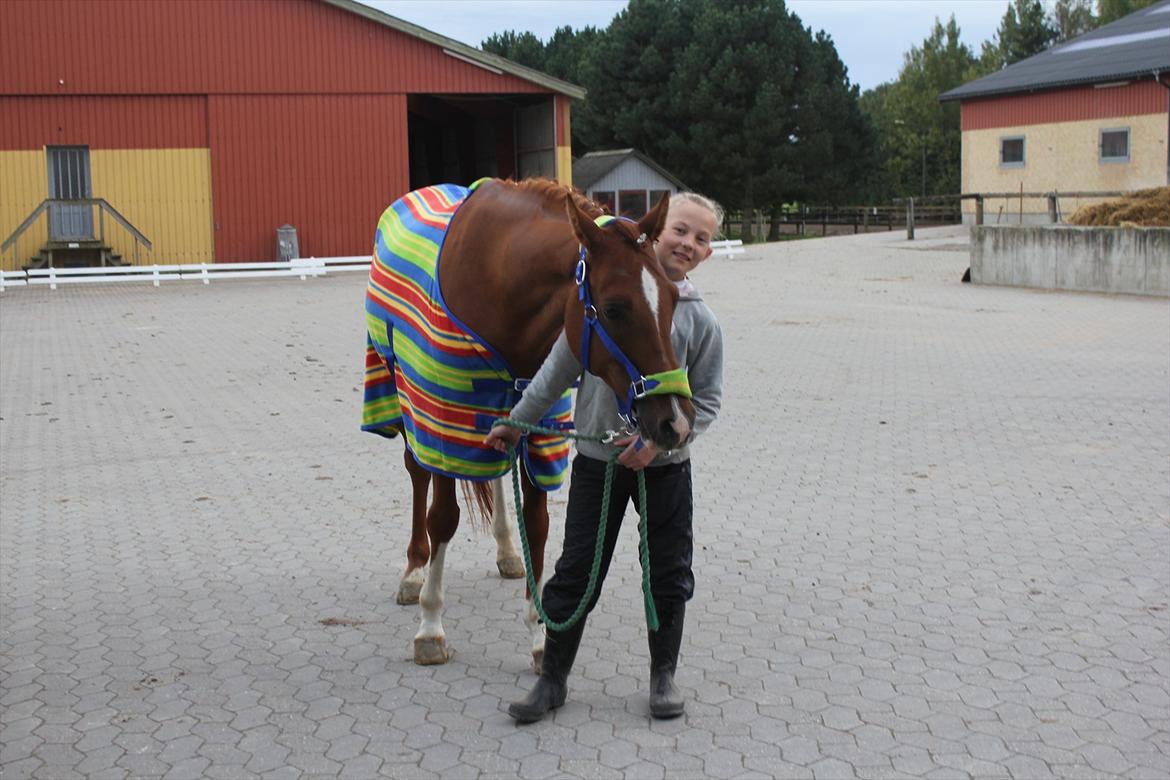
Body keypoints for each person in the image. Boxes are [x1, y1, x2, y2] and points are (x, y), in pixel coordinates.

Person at [484, 192, 725, 722]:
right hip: (598, 460)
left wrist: (659, 443)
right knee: (576, 570)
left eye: (700, 237)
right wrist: (516, 422)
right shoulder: (600, 301)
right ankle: (553, 680)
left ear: (708, 252)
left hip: (665, 470)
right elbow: (557, 369)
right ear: (654, 234)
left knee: (667, 571)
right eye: (680, 230)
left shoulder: (699, 321)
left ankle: (663, 677)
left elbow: (707, 402)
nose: (687, 242)